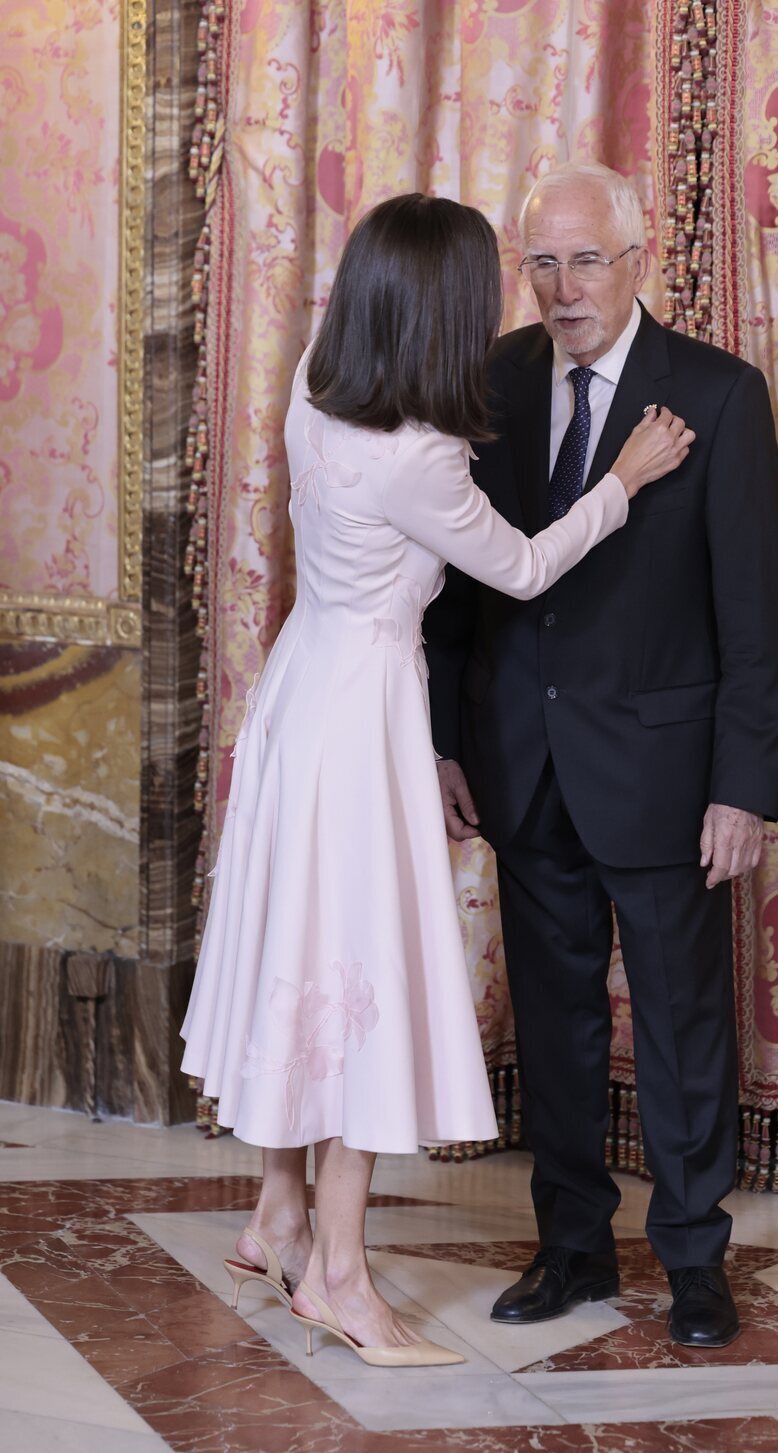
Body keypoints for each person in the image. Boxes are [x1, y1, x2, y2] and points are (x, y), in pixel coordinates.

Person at [179, 191, 695, 1367]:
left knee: (294, 952)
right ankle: (342, 1280)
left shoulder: (321, 376)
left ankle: (277, 1215)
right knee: (354, 965)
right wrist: (622, 478)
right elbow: (518, 567)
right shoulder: (415, 459)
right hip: (360, 714)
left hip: (300, 685)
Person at [424, 162, 778, 1349]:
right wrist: (443, 741)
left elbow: (755, 614)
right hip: (520, 766)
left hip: (664, 778)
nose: (561, 286)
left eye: (585, 259)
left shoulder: (716, 394)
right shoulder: (486, 384)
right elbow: (448, 595)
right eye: (540, 261)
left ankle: (693, 1260)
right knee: (554, 1025)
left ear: (638, 261)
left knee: (685, 1030)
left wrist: (743, 786)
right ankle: (572, 1249)